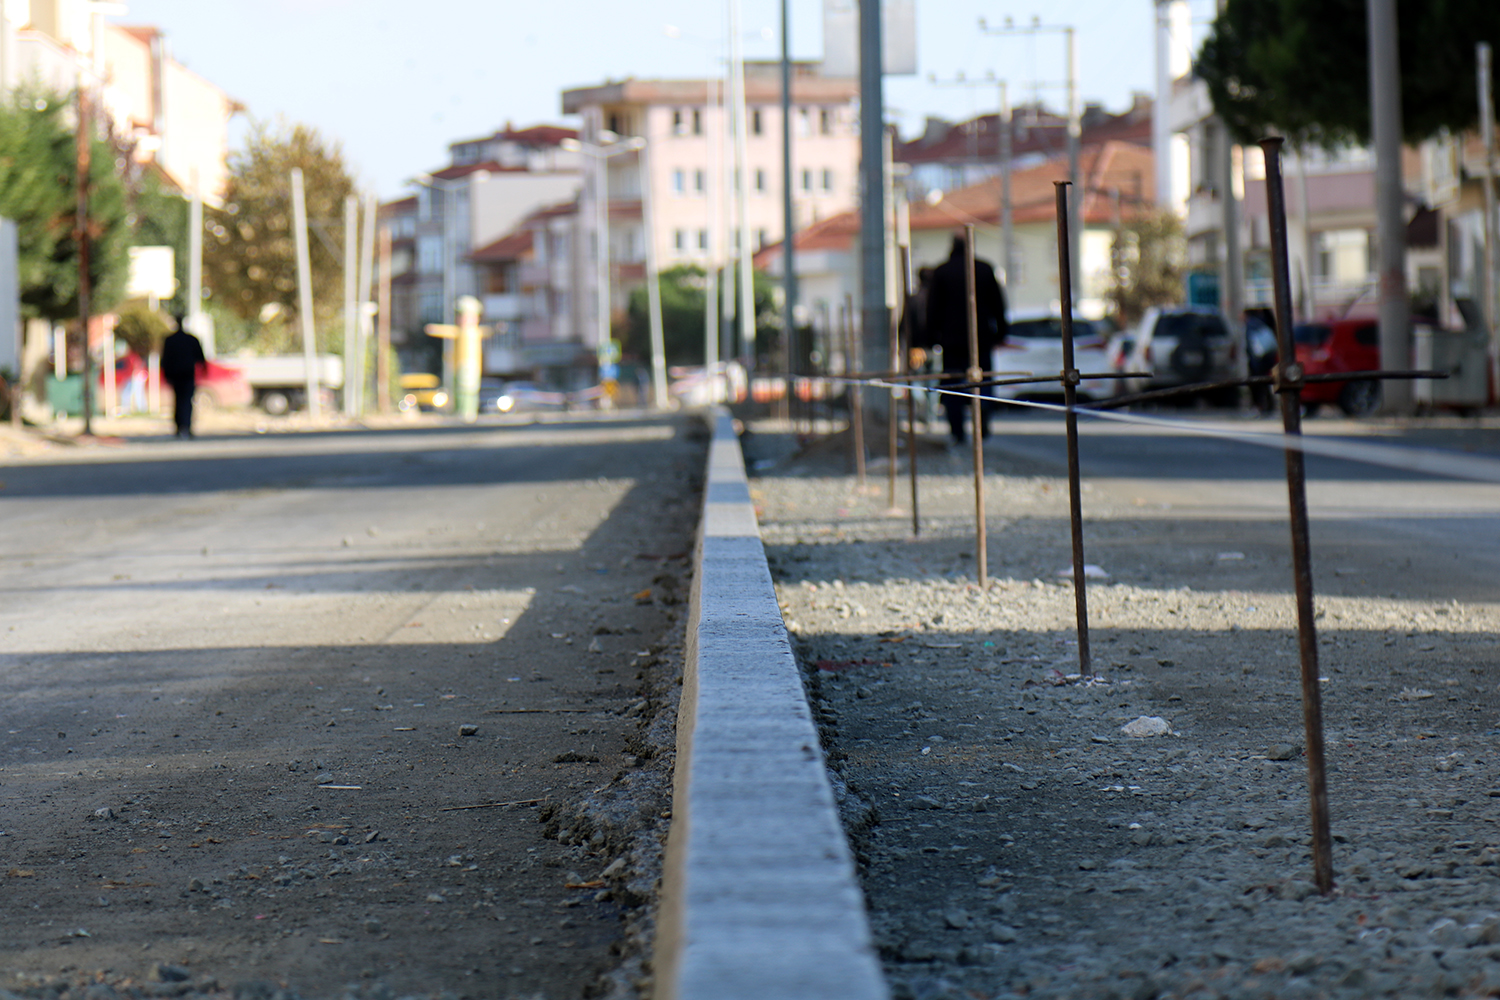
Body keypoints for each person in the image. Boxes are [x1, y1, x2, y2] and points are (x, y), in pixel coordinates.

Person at [913, 233, 1008, 446]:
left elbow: (932, 309)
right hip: (981, 337)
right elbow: (998, 304)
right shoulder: (984, 269)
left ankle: (957, 432)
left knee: (953, 386)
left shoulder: (942, 271)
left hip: (952, 341)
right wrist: (1001, 332)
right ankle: (982, 423)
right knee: (983, 381)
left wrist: (930, 337)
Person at [160, 315, 206, 438]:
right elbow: (201, 358)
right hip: (186, 374)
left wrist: (166, 374)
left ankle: (180, 427)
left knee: (179, 400)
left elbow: (164, 360)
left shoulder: (170, 340)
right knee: (187, 400)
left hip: (177, 375)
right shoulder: (190, 339)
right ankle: (186, 426)